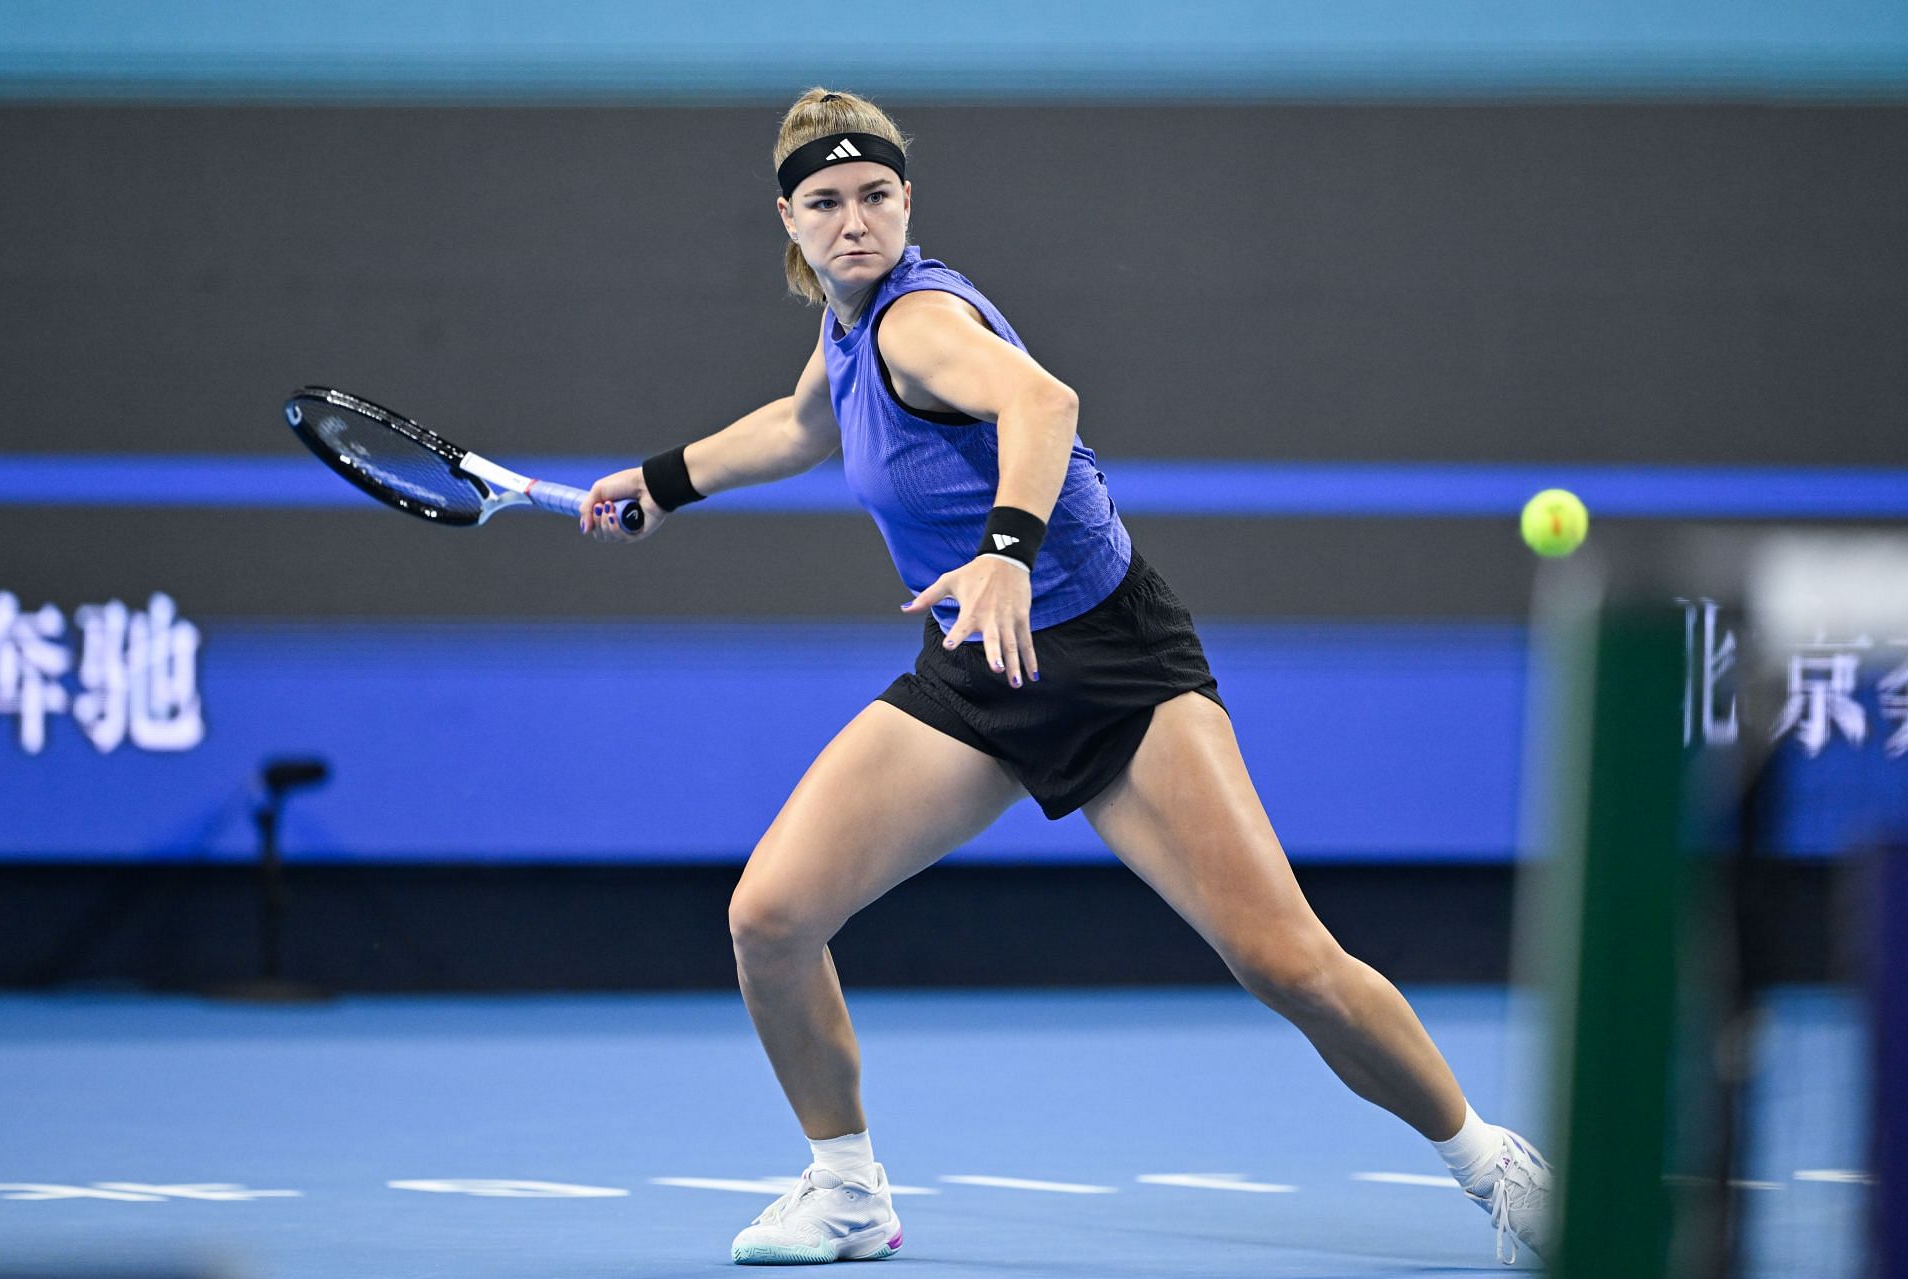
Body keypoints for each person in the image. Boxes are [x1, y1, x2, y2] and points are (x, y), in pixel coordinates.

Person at [578, 87, 1554, 1268]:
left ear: (905, 202)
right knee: (772, 919)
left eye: (877, 195)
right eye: (827, 202)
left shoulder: (915, 320)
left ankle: (1492, 1162)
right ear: (789, 220)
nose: (855, 222)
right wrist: (657, 483)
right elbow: (801, 425)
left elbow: (1043, 400)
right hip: (976, 677)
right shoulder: (845, 330)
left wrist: (1001, 555)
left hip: (1109, 662)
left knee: (1286, 961)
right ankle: (846, 1190)